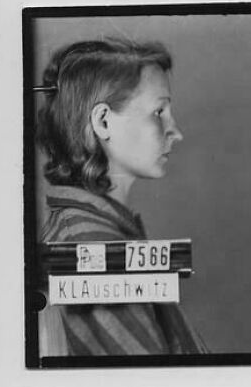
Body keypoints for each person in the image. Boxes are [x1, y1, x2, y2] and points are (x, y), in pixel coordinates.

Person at [34, 38, 206, 356]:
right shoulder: (93, 245)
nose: (176, 131)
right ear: (103, 122)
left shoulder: (92, 229)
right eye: (159, 112)